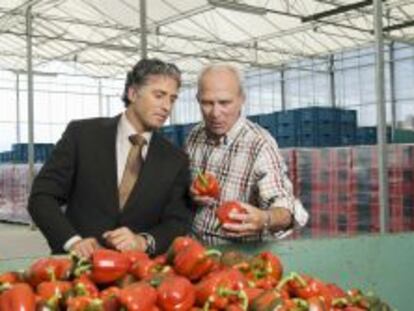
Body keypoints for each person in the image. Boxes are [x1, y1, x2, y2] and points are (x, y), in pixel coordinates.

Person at [28, 58, 193, 258]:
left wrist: (142, 241)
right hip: (78, 269)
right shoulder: (82, 135)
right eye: (159, 95)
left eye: (172, 99)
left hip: (138, 274)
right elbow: (42, 196)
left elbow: (177, 221)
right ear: (133, 93)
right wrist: (73, 242)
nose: (167, 106)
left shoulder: (175, 159)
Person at [185, 64, 308, 246]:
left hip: (239, 256)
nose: (215, 113)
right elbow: (184, 189)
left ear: (242, 99)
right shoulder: (195, 136)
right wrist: (191, 193)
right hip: (194, 251)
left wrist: (265, 218)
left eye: (225, 103)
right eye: (207, 103)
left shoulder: (259, 144)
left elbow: (286, 207)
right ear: (197, 99)